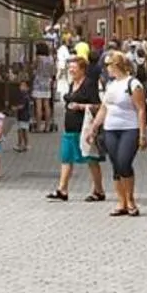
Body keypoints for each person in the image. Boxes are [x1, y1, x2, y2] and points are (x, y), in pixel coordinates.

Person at [97, 50, 147, 216]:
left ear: (116, 65)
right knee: (116, 166)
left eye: (108, 65)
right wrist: (93, 127)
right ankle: (121, 202)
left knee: (124, 162)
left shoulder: (133, 84)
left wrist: (142, 134)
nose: (106, 68)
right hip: (110, 128)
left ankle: (130, 200)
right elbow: (104, 108)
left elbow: (141, 109)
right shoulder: (110, 85)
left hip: (129, 128)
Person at [48, 56, 105, 202]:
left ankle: (98, 190)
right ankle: (62, 190)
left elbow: (98, 106)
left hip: (84, 128)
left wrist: (80, 106)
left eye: (74, 68)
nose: (71, 70)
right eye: (70, 68)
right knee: (66, 157)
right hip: (70, 127)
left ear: (82, 69)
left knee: (91, 159)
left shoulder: (89, 84)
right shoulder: (72, 83)